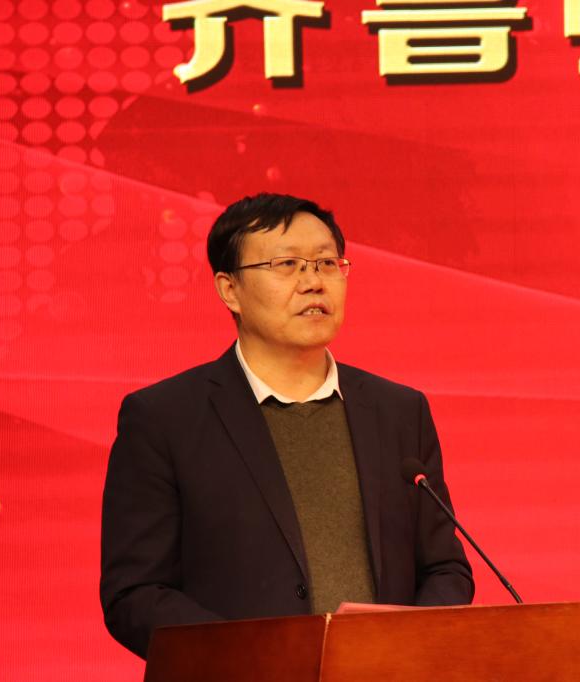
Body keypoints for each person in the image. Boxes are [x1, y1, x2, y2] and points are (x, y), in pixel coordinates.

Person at [100, 193, 474, 658]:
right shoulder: (164, 418)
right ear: (229, 289)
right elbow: (135, 593)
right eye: (287, 264)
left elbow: (444, 569)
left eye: (327, 263)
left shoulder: (399, 411)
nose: (313, 282)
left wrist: (404, 649)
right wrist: (256, 659)